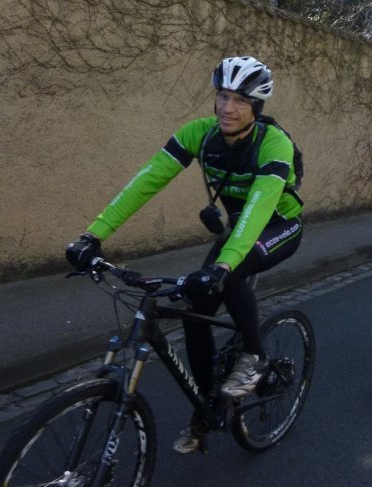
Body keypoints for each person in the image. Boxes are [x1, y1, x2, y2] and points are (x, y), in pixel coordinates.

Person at [65, 56, 304, 454]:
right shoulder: (199, 134)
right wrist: (92, 235)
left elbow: (259, 208)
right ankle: (209, 403)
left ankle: (256, 356)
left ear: (256, 107)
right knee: (196, 307)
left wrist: (223, 265)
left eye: (240, 100)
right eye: (222, 96)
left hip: (277, 228)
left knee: (231, 274)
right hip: (240, 232)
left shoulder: (273, 144)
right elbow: (145, 182)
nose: (228, 107)